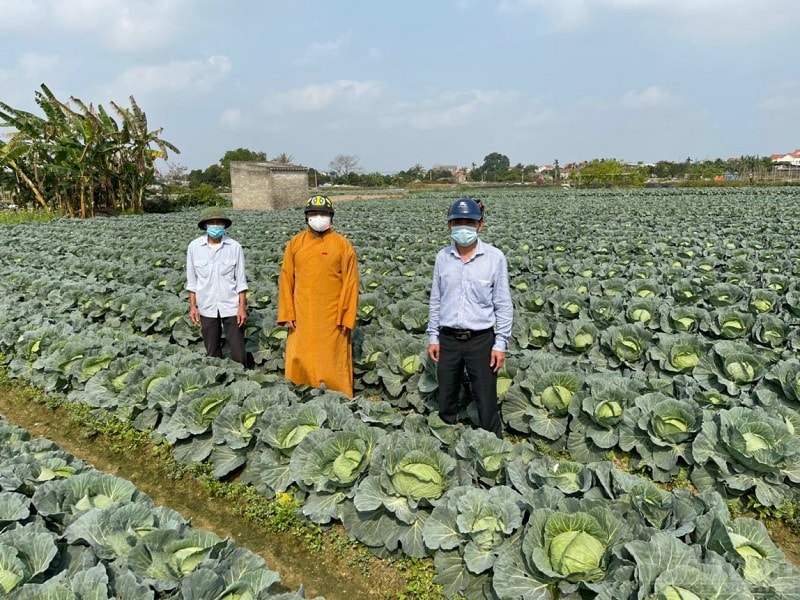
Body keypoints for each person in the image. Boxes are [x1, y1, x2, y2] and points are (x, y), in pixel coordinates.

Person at [426, 197, 513, 437]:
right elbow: (436, 300)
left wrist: (501, 343)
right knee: (446, 395)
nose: (463, 227)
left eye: (469, 222)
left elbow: (503, 304)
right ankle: (445, 439)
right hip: (448, 338)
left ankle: (493, 443)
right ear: (449, 226)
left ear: (480, 225)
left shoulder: (495, 258)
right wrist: (433, 336)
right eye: (457, 222)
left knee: (486, 397)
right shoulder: (442, 258)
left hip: (481, 339)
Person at [277, 195, 359, 396]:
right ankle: (299, 391)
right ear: (307, 217)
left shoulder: (342, 245)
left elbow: (351, 283)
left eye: (323, 214)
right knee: (301, 357)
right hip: (302, 315)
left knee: (332, 359)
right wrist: (288, 313)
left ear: (331, 217)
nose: (319, 218)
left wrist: (346, 316)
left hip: (333, 318)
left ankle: (338, 394)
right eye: (314, 214)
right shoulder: (295, 243)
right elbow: (286, 278)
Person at [186, 206, 248, 366]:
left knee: (238, 351)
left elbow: (241, 281)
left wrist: (242, 308)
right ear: (205, 225)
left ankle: (242, 379)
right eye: (211, 222)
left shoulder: (235, 247)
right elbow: (192, 281)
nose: (215, 225)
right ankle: (218, 381)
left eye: (219, 222)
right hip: (206, 305)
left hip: (231, 305)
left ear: (224, 225)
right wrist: (193, 306)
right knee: (212, 351)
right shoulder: (194, 247)